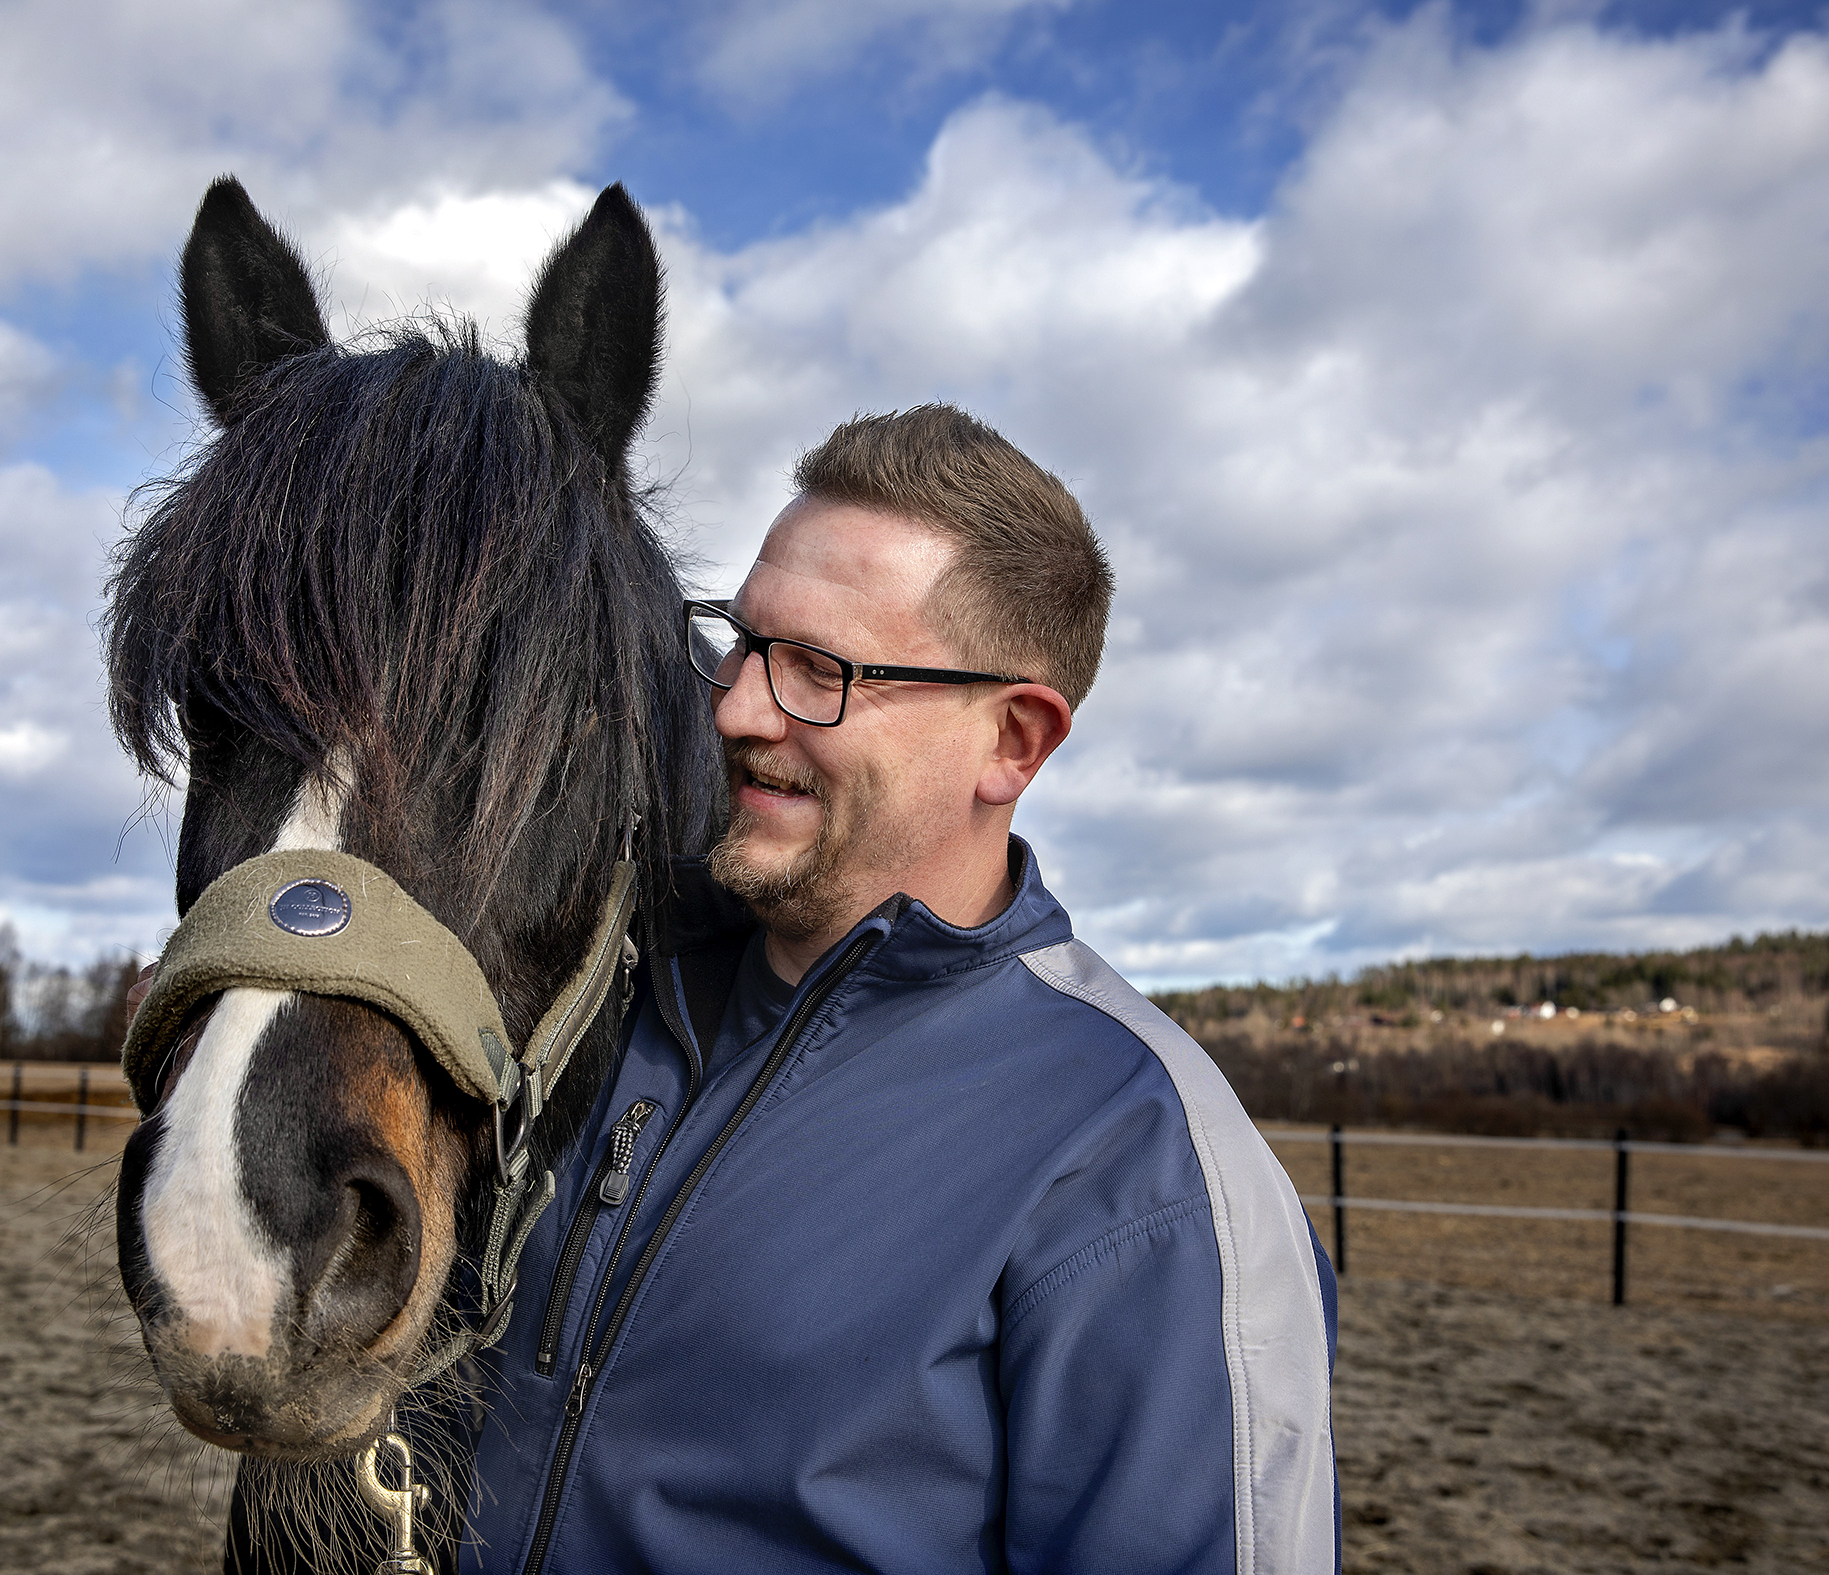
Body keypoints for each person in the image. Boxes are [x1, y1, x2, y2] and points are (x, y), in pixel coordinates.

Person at [459, 404, 1339, 1574]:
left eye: (821, 670)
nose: (735, 708)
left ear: (1013, 743)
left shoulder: (1142, 1167)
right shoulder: (593, 998)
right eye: (740, 640)